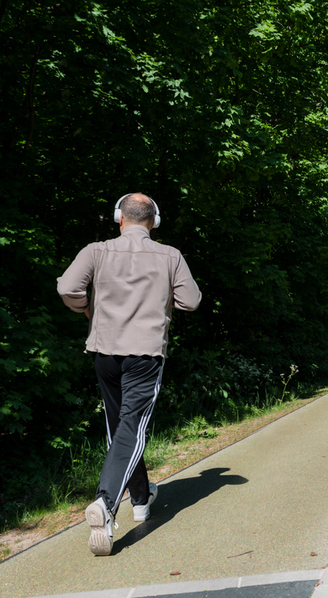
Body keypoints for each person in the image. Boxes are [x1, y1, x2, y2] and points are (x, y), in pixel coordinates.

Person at [57, 193, 201, 556]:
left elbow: (66, 287)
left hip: (105, 352)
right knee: (132, 427)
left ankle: (141, 498)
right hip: (145, 353)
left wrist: (87, 310)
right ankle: (106, 504)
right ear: (154, 221)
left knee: (120, 426)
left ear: (119, 218)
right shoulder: (171, 255)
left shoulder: (96, 250)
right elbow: (192, 301)